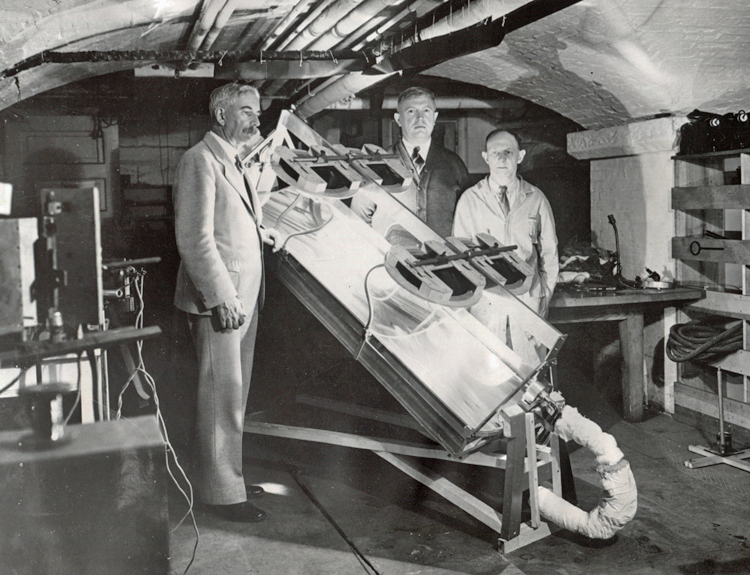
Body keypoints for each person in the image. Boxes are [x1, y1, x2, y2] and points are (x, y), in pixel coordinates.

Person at [173, 82, 279, 523]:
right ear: (221, 115)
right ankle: (221, 494)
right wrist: (220, 297)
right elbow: (195, 239)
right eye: (247, 111)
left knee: (231, 397)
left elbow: (235, 223)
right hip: (221, 301)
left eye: (257, 112)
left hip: (242, 298)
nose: (256, 119)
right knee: (221, 397)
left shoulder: (232, 161)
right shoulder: (199, 160)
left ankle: (224, 475)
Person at [453, 129, 558, 364]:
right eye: (495, 152)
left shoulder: (536, 198)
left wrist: (541, 296)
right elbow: (460, 260)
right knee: (488, 377)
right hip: (486, 305)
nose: (501, 159)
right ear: (485, 156)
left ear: (520, 156)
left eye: (508, 152)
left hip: (528, 304)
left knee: (530, 373)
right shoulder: (470, 200)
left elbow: (550, 256)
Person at [351, 87, 471, 237]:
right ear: (398, 119)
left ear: (435, 117)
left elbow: (468, 218)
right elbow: (358, 220)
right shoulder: (377, 163)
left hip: (444, 258)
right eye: (411, 111)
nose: (420, 118)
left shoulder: (454, 165)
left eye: (426, 111)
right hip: (394, 258)